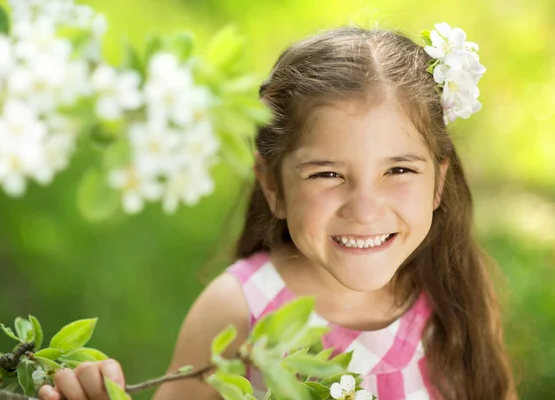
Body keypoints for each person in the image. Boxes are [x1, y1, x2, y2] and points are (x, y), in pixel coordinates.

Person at [38, 24, 517, 400]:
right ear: (273, 185)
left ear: (438, 181)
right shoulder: (239, 308)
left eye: (399, 170)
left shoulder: (453, 292)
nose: (365, 210)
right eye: (327, 174)